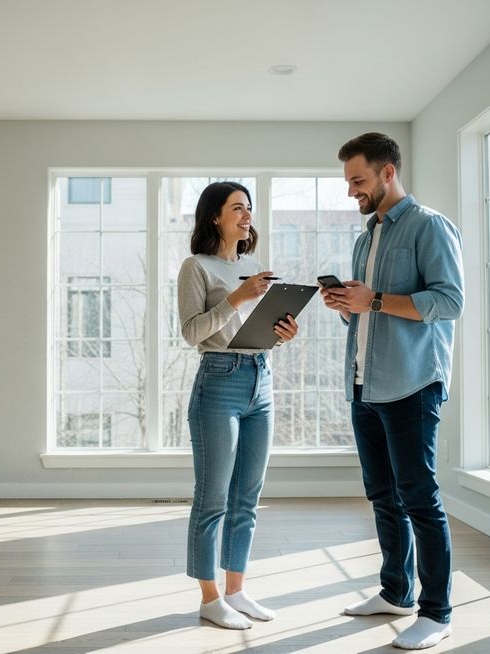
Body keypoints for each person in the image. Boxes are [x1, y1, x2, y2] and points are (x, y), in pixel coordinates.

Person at [320, 133, 464, 650]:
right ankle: (396, 591)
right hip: (364, 383)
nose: (351, 192)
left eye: (357, 180)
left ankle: (437, 611)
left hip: (412, 384)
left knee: (420, 498)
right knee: (383, 496)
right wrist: (348, 306)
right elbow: (371, 312)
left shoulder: (429, 226)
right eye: (347, 182)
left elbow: (449, 302)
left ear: (387, 173)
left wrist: (375, 299)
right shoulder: (366, 237)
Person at [177, 181, 299, 630]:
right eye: (237, 209)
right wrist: (237, 298)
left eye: (249, 208)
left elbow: (255, 330)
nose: (247, 216)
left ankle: (236, 591)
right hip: (218, 381)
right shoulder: (197, 267)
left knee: (248, 498)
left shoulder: (255, 268)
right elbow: (192, 333)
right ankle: (210, 599)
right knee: (213, 499)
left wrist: (281, 333)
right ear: (215, 217)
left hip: (260, 379)